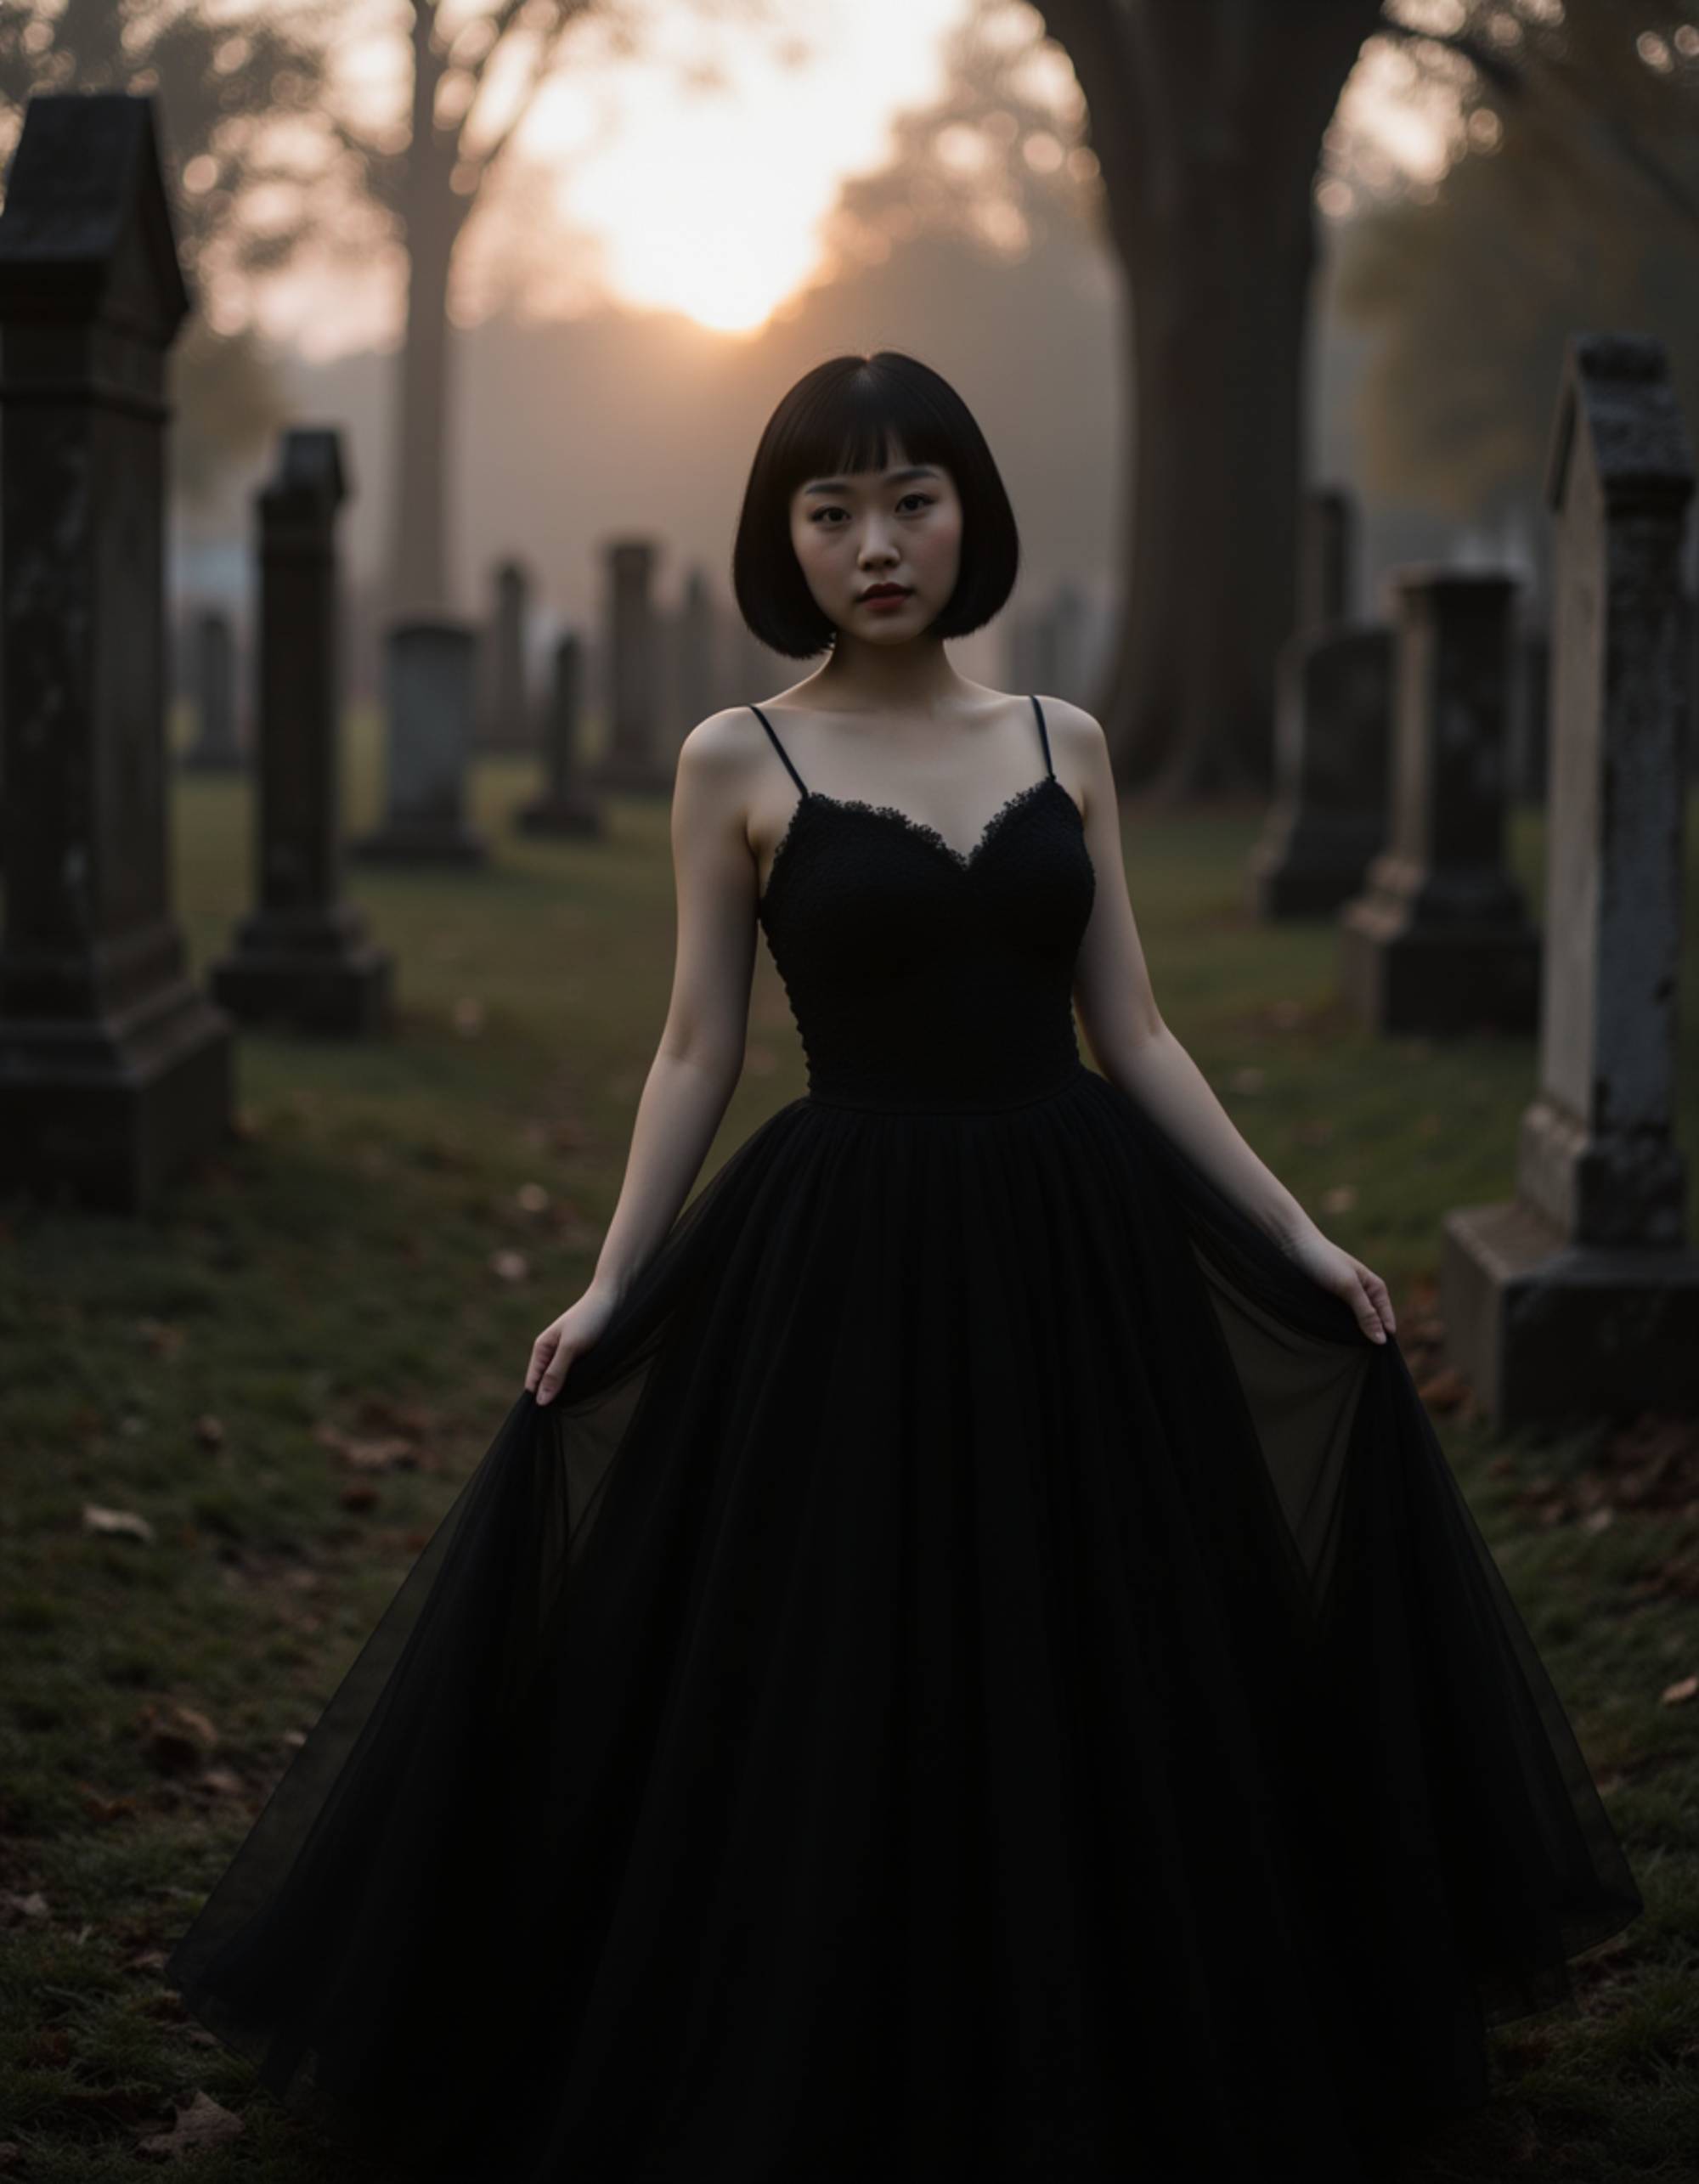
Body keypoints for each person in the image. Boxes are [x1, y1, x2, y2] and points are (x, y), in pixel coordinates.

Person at [167, 351, 1640, 2184]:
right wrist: (615, 1278)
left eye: (912, 498)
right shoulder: (739, 756)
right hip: (839, 1252)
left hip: (1072, 1239)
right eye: (831, 507)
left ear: (971, 511)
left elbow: (1142, 1034)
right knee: (830, 1657)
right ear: (783, 535)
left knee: (1105, 1641)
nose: (877, 542)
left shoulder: (1062, 741)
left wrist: (1294, 1227)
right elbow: (694, 1047)